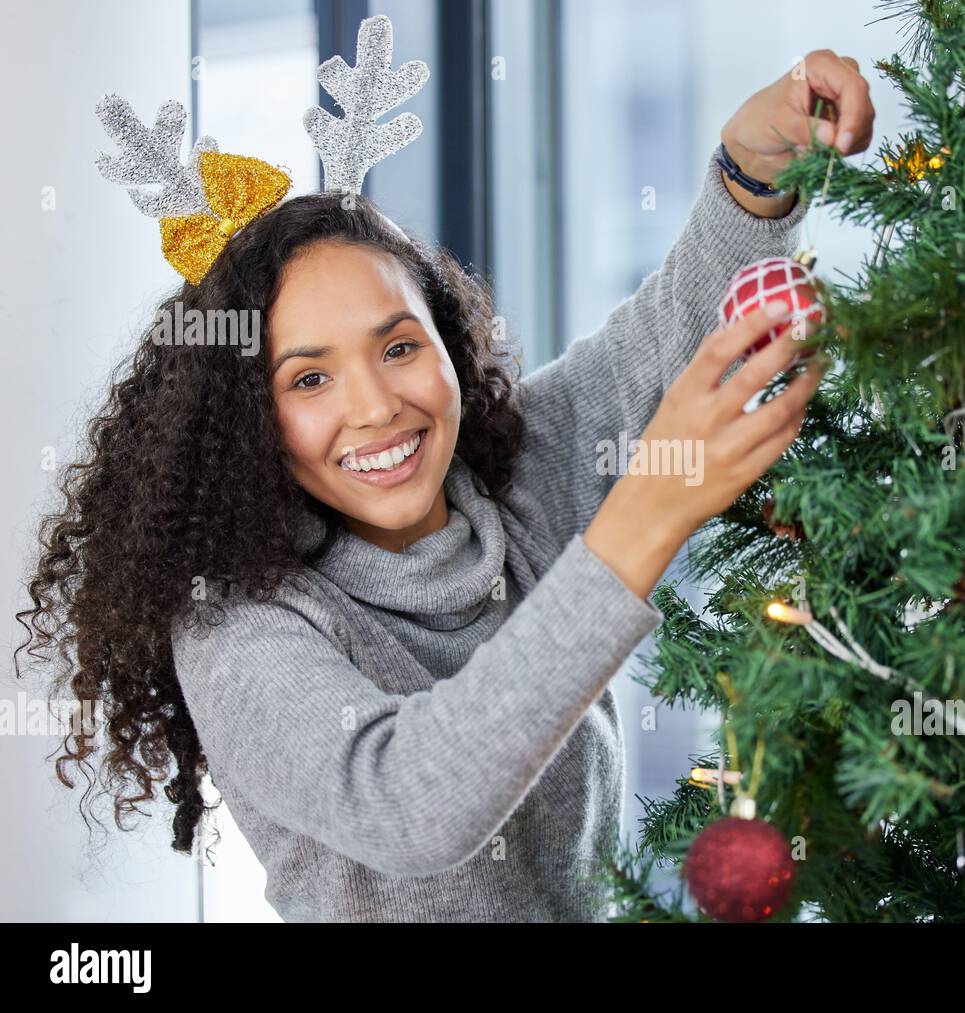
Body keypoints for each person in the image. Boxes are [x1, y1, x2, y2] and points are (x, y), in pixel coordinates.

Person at [16, 50, 873, 922]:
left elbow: (664, 337)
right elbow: (405, 800)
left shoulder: (504, 486)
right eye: (308, 380)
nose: (378, 406)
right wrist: (646, 515)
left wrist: (752, 171)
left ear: (449, 342)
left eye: (399, 347)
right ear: (247, 423)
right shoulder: (237, 623)